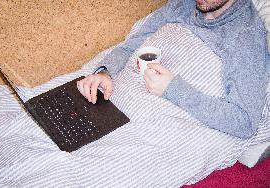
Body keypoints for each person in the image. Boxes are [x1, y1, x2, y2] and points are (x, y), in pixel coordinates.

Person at [77, 0, 269, 139]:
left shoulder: (245, 37)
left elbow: (245, 122)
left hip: (150, 126)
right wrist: (104, 71)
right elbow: (132, 44)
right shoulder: (183, 4)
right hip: (113, 102)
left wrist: (173, 88)